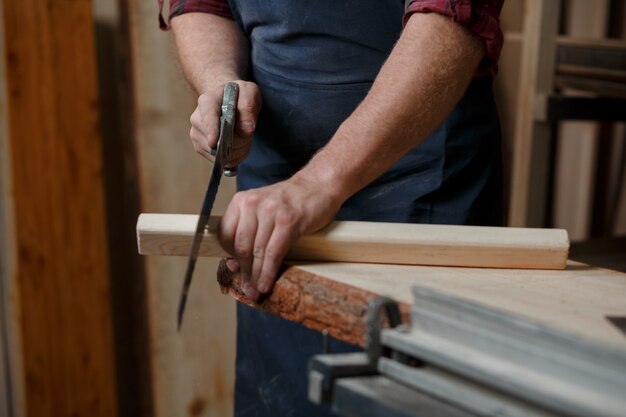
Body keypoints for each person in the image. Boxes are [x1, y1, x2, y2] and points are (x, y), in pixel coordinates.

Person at [159, 1, 504, 415]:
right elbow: (199, 4)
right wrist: (218, 81)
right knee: (282, 394)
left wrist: (320, 182)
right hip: (274, 192)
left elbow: (450, 18)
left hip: (421, 179)